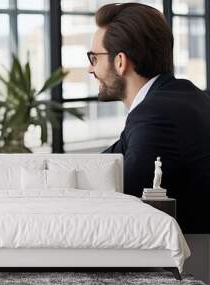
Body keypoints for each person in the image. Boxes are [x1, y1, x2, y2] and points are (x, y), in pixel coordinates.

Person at [88, 3, 210, 233]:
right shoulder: (183, 94)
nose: (89, 69)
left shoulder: (155, 114)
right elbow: (105, 163)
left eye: (94, 58)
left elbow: (123, 199)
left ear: (120, 62)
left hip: (194, 260)